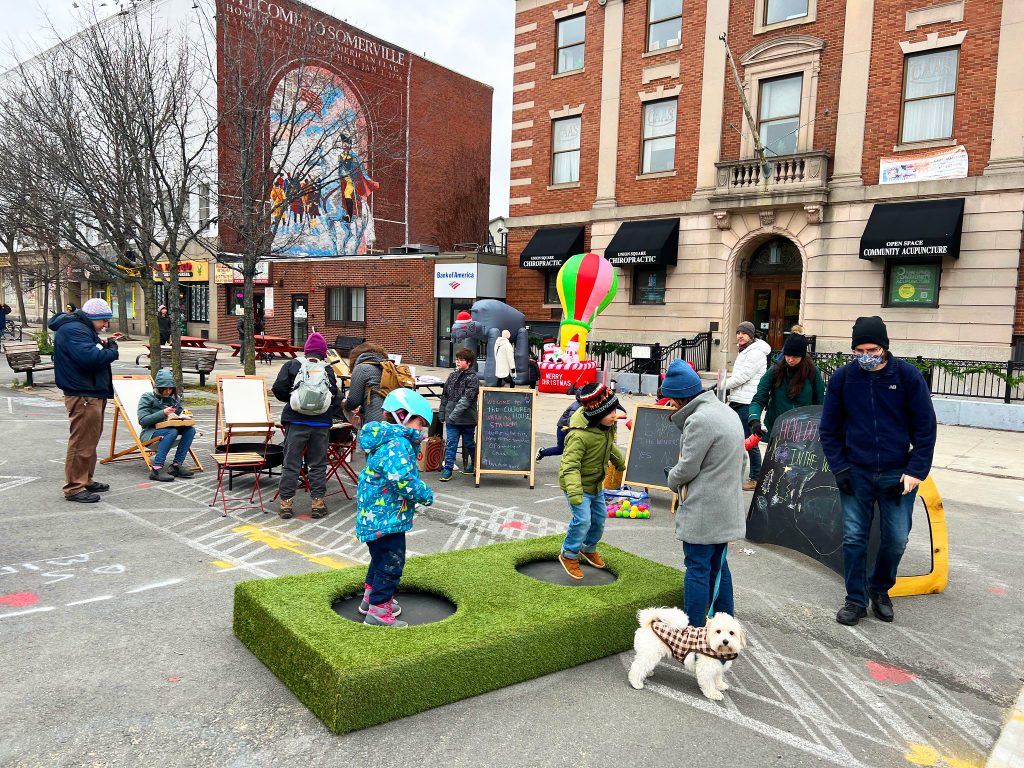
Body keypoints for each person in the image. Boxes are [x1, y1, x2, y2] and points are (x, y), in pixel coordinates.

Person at [819, 316, 937, 627]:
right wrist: (840, 467)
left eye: (871, 349)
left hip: (897, 473)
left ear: (884, 347)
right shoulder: (844, 379)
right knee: (855, 537)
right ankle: (855, 600)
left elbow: (925, 429)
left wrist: (915, 471)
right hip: (856, 471)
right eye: (858, 350)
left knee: (896, 538)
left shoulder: (908, 376)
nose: (865, 356)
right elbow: (828, 429)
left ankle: (880, 589)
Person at [662, 359, 746, 627]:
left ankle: (694, 630)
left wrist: (671, 479)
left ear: (678, 398)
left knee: (697, 569)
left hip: (703, 510)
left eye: (670, 399)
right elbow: (744, 461)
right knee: (719, 567)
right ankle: (725, 627)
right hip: (727, 506)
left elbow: (687, 467)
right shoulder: (726, 411)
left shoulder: (698, 420)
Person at [355, 388, 435, 627]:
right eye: (420, 423)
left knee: (379, 559)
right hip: (387, 517)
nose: (421, 430)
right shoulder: (398, 444)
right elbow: (402, 480)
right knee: (392, 563)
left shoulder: (386, 439)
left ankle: (370, 599)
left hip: (376, 516)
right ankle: (379, 612)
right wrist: (425, 495)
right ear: (404, 416)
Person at [49, 299, 119, 503]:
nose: (105, 325)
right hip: (83, 392)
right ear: (93, 318)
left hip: (91, 391)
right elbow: (90, 358)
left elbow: (92, 352)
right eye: (104, 321)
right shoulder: (74, 330)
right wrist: (112, 350)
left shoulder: (81, 329)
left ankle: (85, 479)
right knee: (81, 441)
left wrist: (102, 346)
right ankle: (74, 487)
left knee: (90, 439)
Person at [557, 383, 626, 580]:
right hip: (577, 486)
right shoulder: (578, 436)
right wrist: (575, 492)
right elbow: (569, 467)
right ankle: (569, 554)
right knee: (583, 520)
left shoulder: (605, 428)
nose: (615, 415)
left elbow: (608, 447)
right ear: (596, 414)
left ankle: (588, 548)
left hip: (595, 484)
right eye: (610, 412)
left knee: (599, 519)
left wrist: (619, 461)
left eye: (615, 410)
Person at [272, 332, 343, 520]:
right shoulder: (327, 369)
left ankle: (286, 504)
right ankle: (317, 503)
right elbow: (335, 394)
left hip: (295, 421)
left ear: (306, 350)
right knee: (318, 464)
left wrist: (294, 398)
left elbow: (278, 389)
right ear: (323, 352)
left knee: (291, 463)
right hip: (320, 423)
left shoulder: (293, 365)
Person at [747, 334, 824, 440]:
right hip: (777, 428)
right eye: (788, 355)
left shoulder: (812, 372)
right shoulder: (775, 371)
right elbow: (759, 397)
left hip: (804, 432)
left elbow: (820, 403)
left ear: (802, 356)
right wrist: (754, 419)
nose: (790, 360)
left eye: (795, 356)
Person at [724, 321, 771, 491]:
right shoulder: (745, 350)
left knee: (750, 441)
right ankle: (735, 471)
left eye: (744, 333)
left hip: (747, 401)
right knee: (734, 437)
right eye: (738, 332)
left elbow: (743, 376)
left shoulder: (756, 353)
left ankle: (756, 477)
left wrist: (722, 384)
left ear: (751, 335)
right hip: (738, 399)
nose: (740, 335)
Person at [137, 368, 196, 482]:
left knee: (190, 430)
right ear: (159, 387)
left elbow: (180, 412)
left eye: (170, 389)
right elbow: (143, 420)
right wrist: (163, 412)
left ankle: (176, 465)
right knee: (172, 432)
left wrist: (185, 414)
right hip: (150, 432)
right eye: (165, 389)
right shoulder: (147, 397)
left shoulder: (172, 399)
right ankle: (156, 469)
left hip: (169, 429)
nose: (168, 391)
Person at [439, 347, 479, 482]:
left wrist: (452, 416)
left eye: (461, 360)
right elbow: (445, 396)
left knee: (469, 443)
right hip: (452, 418)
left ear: (468, 362)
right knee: (451, 443)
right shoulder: (452, 376)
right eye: (457, 359)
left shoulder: (473, 378)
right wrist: (442, 413)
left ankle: (474, 465)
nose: (457, 362)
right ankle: (448, 469)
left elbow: (466, 400)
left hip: (467, 419)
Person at [344, 342, 389, 426]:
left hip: (375, 421)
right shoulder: (387, 367)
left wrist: (344, 405)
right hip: (393, 420)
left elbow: (353, 401)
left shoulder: (362, 368)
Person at [536, 395, 582, 462]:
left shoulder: (582, 404)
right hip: (563, 428)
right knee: (560, 449)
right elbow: (570, 421)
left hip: (569, 428)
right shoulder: (576, 406)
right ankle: (542, 452)